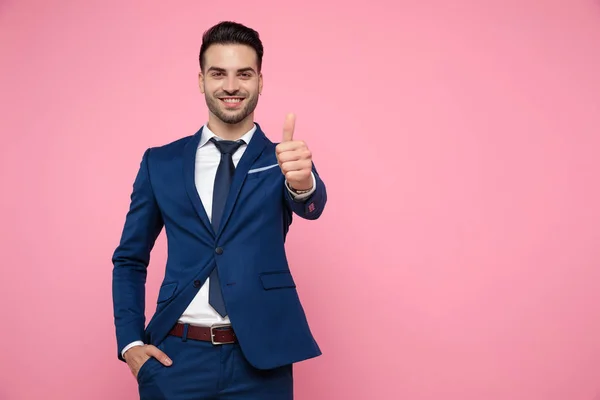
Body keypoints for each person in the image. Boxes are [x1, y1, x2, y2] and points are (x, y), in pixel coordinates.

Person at [111, 20, 327, 399]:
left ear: (260, 80)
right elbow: (129, 259)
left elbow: (310, 204)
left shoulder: (283, 158)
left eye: (244, 74)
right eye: (218, 74)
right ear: (201, 81)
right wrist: (130, 344)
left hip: (262, 363)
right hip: (175, 360)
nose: (230, 86)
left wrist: (302, 182)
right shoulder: (159, 163)